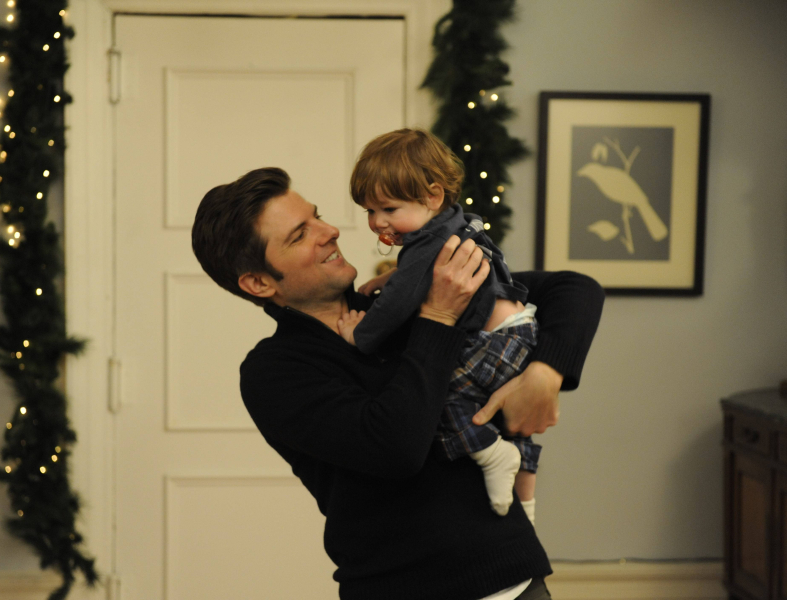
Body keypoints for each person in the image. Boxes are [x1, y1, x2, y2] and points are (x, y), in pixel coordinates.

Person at [192, 166, 604, 600]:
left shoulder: (398, 299)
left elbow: (573, 290)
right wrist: (438, 317)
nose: (330, 231)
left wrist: (545, 372)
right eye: (300, 235)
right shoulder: (274, 371)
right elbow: (397, 446)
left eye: (317, 216)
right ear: (258, 282)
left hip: (516, 580)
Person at [337, 128, 540, 520]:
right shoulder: (452, 224)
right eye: (369, 211)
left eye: (388, 209)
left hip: (493, 342)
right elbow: (417, 276)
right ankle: (526, 506)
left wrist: (359, 335)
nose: (377, 222)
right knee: (511, 417)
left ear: (432, 196)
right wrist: (393, 276)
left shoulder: (426, 244)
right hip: (517, 330)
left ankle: (492, 455)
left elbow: (395, 306)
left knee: (435, 399)